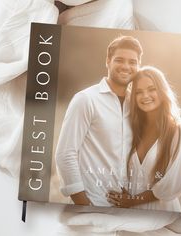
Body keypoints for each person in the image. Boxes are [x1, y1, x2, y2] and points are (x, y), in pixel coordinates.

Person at [55, 35, 143, 206]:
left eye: (132, 62)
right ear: (108, 61)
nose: (126, 66)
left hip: (126, 208)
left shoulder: (137, 106)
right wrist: (83, 203)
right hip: (93, 203)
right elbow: (65, 154)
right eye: (119, 60)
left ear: (138, 66)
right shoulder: (86, 99)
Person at [107, 66, 181, 212]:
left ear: (162, 91)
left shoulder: (176, 130)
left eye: (151, 89)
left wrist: (133, 201)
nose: (145, 95)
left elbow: (174, 183)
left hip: (162, 216)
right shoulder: (132, 128)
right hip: (129, 217)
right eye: (138, 92)